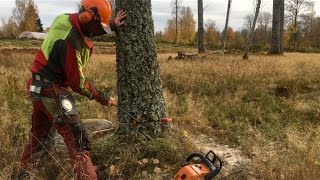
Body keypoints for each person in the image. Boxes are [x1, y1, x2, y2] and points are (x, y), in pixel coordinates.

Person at [14, 0, 127, 179]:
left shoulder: (64, 19)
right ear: (87, 17)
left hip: (36, 87)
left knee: (40, 138)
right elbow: (78, 84)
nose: (96, 29)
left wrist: (111, 25)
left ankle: (22, 175)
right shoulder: (71, 44)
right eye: (97, 23)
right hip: (52, 91)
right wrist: (105, 99)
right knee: (77, 138)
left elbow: (86, 28)